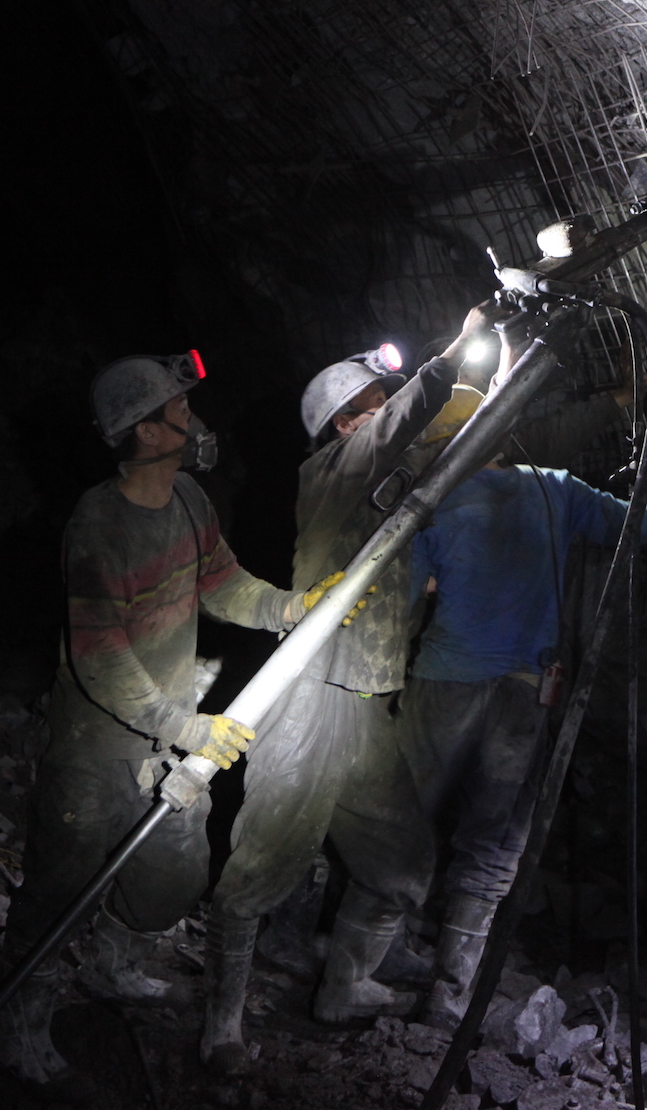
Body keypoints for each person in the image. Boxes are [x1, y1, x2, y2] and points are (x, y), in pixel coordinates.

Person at [400, 358, 647, 1028]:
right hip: (523, 690)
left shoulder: (431, 500)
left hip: (444, 681)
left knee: (405, 816)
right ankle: (448, 995)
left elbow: (409, 591)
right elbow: (640, 523)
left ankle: (376, 956)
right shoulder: (555, 490)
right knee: (494, 839)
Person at [0, 351, 310, 1102]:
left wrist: (289, 608)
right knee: (62, 886)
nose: (194, 424)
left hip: (168, 719)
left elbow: (223, 582)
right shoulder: (97, 527)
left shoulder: (192, 501)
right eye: (179, 412)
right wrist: (188, 729)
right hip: (97, 740)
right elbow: (100, 663)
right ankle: (18, 1033)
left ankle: (113, 965)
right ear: (142, 432)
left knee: (171, 870)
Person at [201, 304, 496, 1071]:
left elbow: (465, 427)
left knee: (402, 864)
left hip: (366, 705)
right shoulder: (332, 471)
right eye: (373, 407)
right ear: (344, 426)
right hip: (308, 699)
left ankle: (346, 987)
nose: (389, 419)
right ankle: (221, 1023)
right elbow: (410, 416)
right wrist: (457, 346)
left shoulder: (391, 488)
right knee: (259, 868)